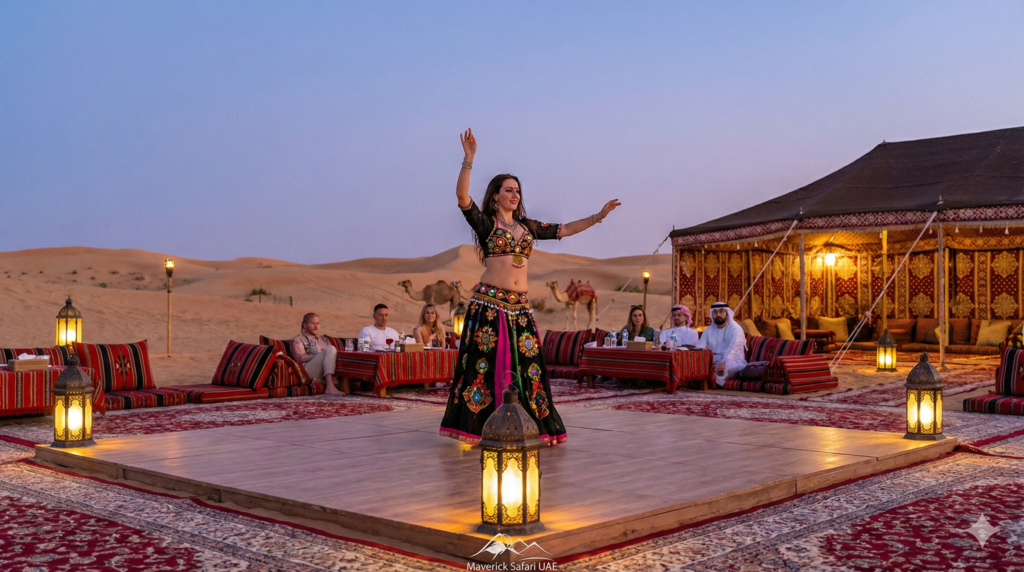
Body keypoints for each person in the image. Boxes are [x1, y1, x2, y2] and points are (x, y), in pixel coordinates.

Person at [440, 128, 620, 446]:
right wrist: (468, 161)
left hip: (520, 307)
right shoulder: (486, 224)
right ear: (495, 195)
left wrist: (598, 216)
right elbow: (462, 199)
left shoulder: (529, 228)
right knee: (485, 366)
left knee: (529, 368)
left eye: (517, 191)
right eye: (508, 190)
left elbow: (564, 229)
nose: (515, 195)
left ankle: (531, 425)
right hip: (490, 305)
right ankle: (481, 427)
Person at [695, 302, 747, 387]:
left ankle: (712, 383)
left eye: (721, 311)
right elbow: (700, 347)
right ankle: (709, 381)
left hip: (733, 361)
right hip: (713, 361)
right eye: (715, 312)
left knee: (726, 368)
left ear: (727, 313)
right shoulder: (708, 330)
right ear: (712, 315)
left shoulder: (736, 329)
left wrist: (724, 363)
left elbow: (733, 349)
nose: (718, 314)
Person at [291, 313, 342, 395]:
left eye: (318, 323)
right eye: (312, 323)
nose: (316, 326)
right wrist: (320, 355)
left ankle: (321, 381)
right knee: (331, 348)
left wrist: (325, 355)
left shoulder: (324, 339)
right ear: (305, 325)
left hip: (322, 369)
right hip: (307, 370)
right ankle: (330, 386)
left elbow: (329, 356)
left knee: (332, 351)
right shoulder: (298, 340)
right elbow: (300, 358)